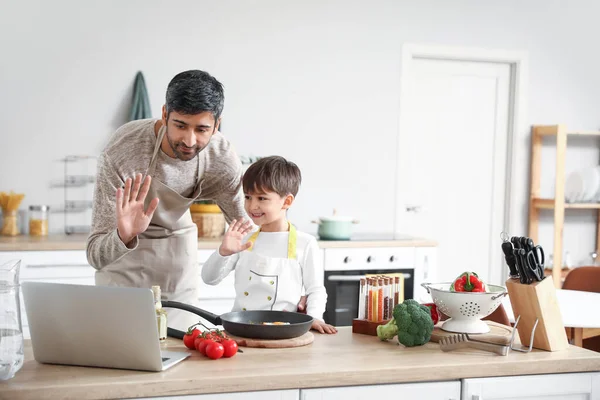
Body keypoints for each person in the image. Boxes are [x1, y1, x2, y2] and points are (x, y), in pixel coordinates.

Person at [86, 70, 246, 331]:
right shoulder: (123, 150)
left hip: (177, 271)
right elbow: (95, 255)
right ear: (164, 114)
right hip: (121, 266)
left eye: (202, 129)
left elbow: (248, 231)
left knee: (179, 360)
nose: (189, 140)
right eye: (180, 125)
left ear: (217, 125)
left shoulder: (221, 160)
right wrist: (123, 235)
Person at [201, 156, 337, 334]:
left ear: (287, 202)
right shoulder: (243, 240)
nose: (252, 206)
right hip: (241, 329)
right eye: (248, 197)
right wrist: (223, 252)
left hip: (284, 332)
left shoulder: (306, 243)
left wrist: (314, 316)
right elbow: (209, 279)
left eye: (262, 198)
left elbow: (316, 289)